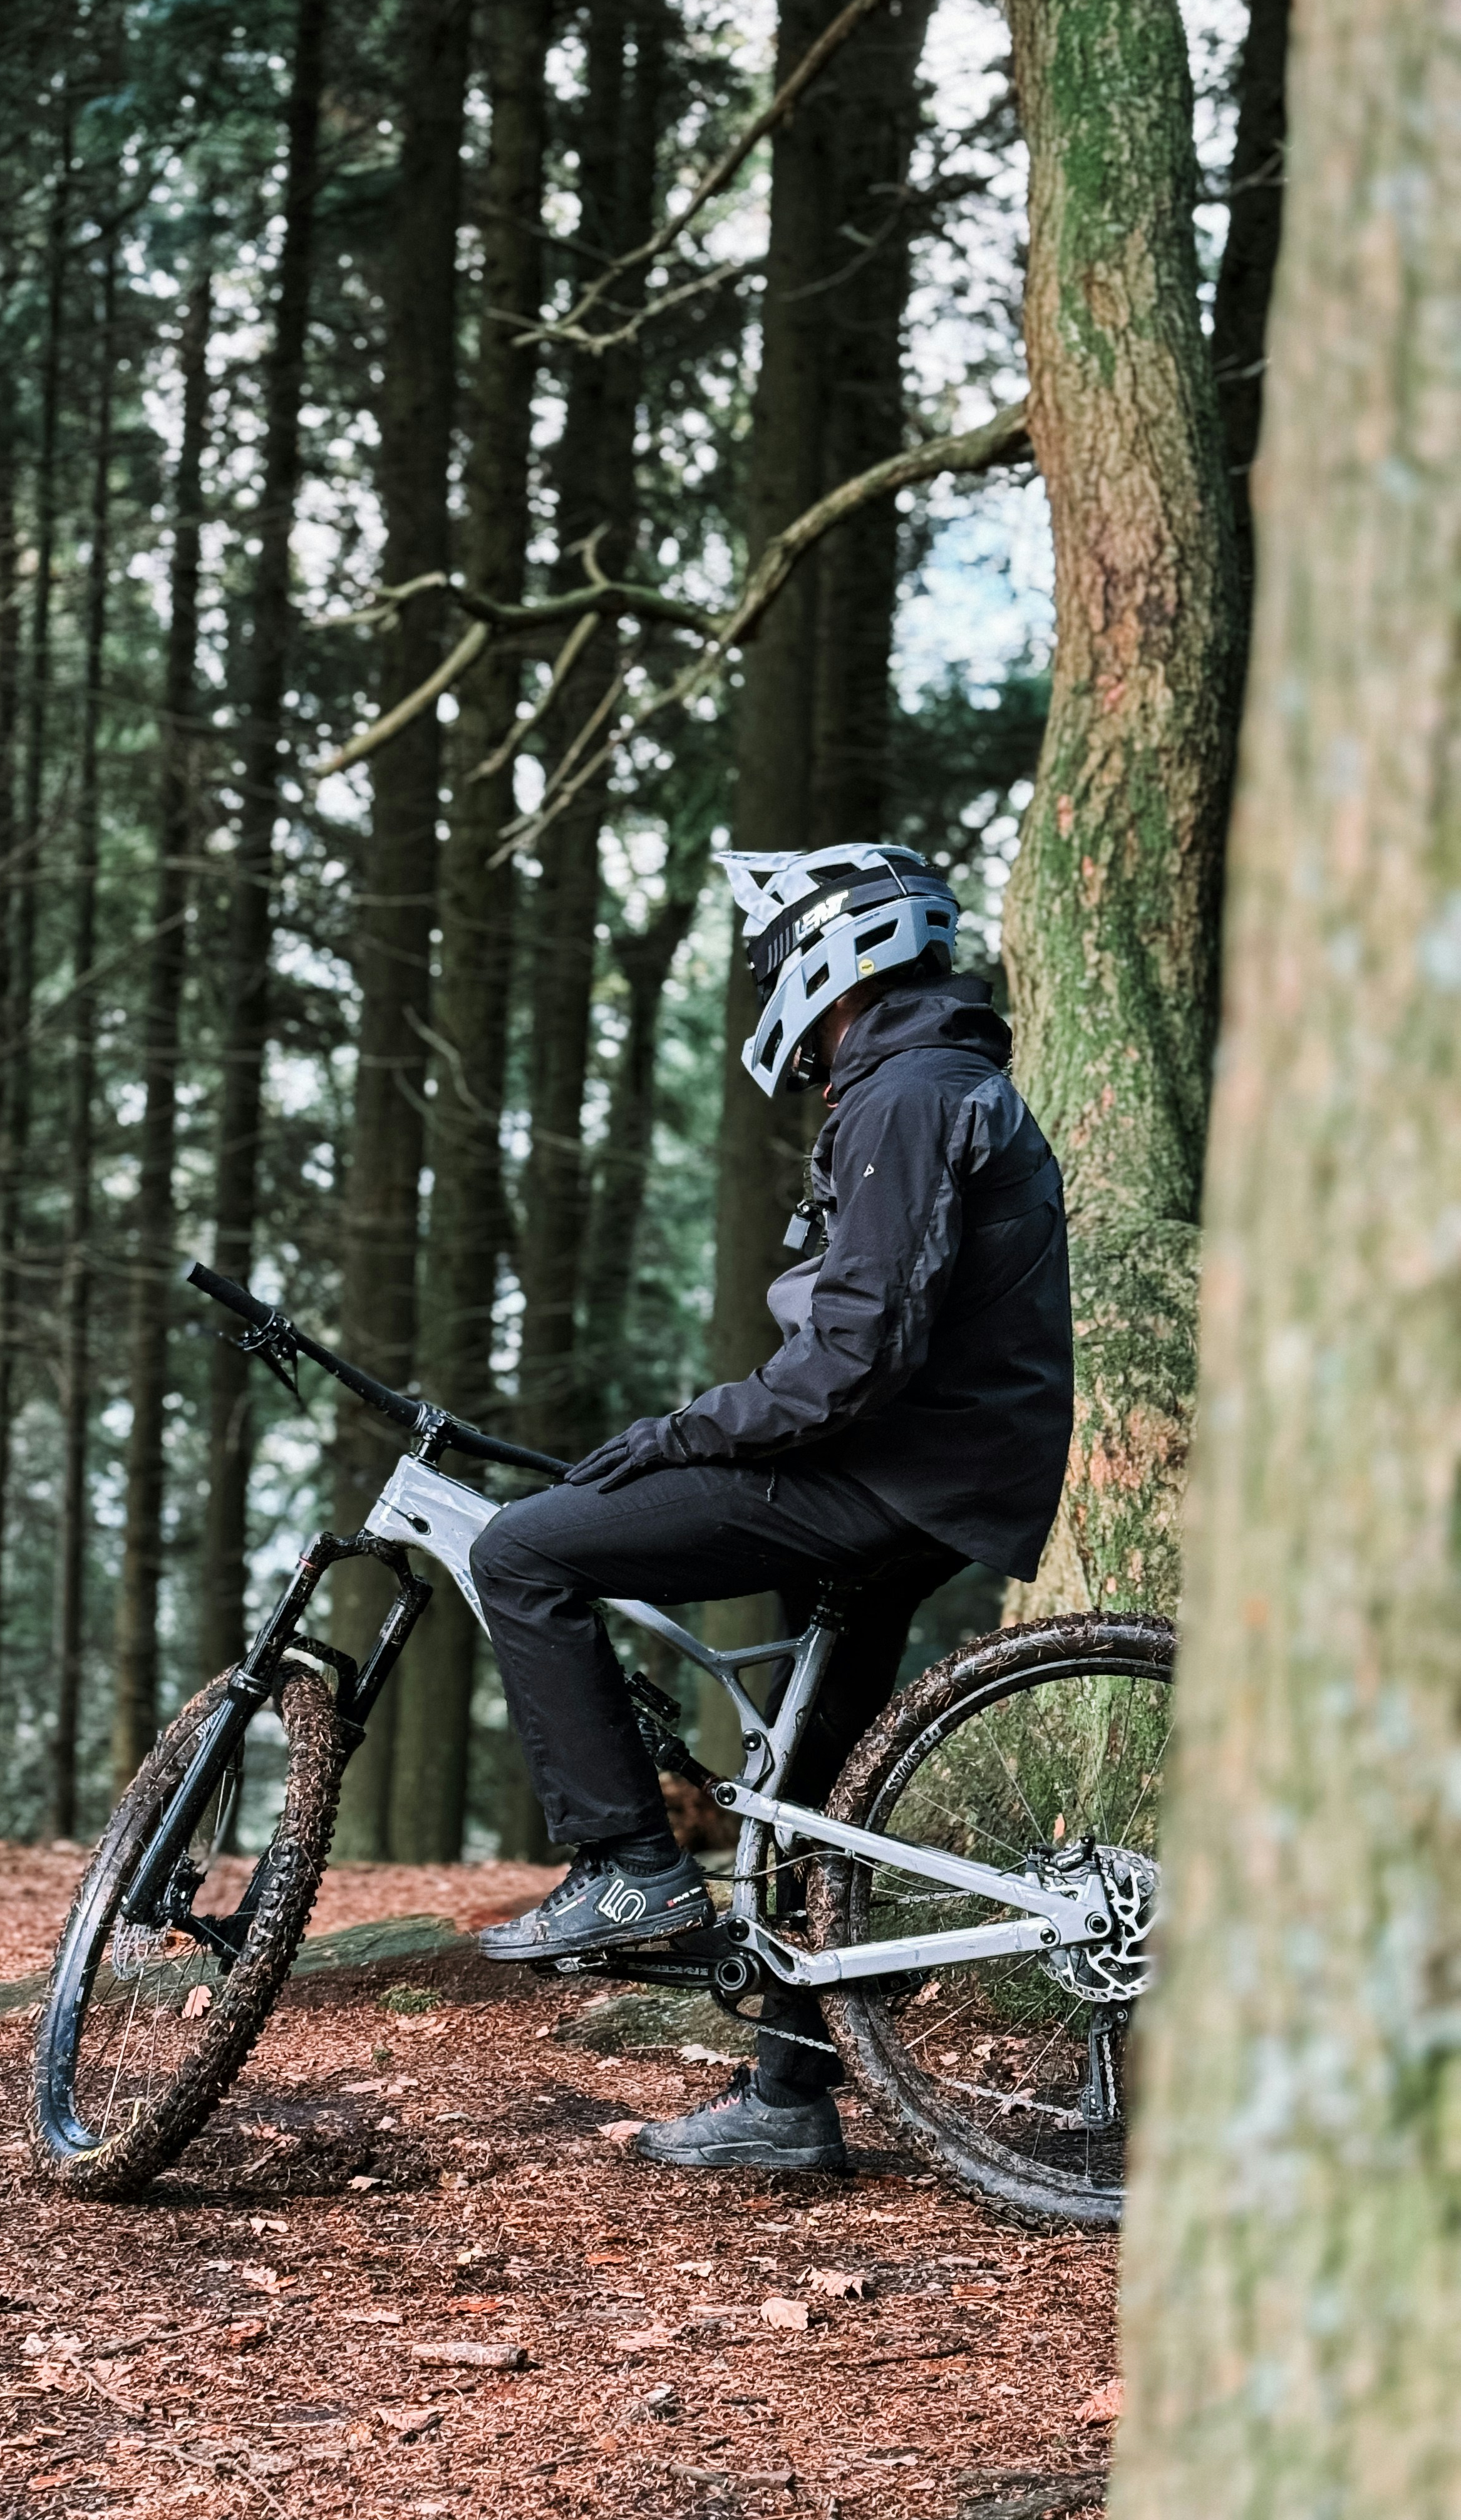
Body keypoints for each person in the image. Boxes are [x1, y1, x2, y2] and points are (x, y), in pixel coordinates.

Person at [470, 842, 1073, 2171]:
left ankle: (630, 1868)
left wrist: (681, 1432)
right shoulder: (928, 1079)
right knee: (816, 1790)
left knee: (522, 1553)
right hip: (935, 1475)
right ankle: (791, 2103)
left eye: (771, 965)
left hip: (890, 1474)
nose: (767, 997)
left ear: (834, 955)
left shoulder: (909, 1093)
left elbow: (856, 1354)